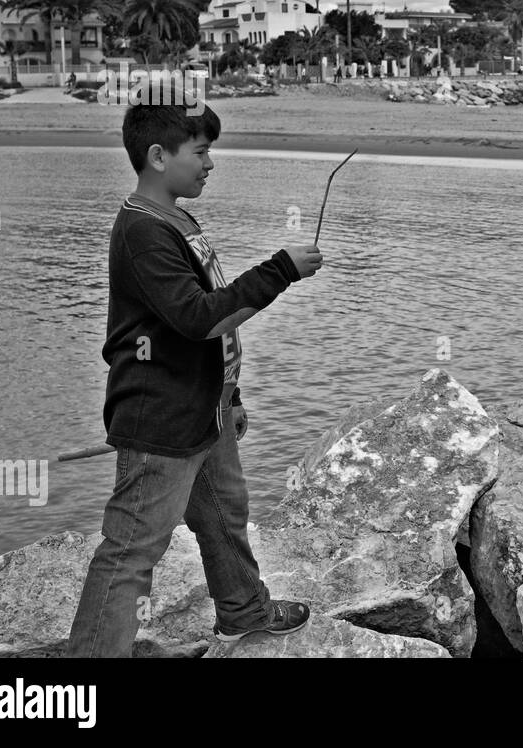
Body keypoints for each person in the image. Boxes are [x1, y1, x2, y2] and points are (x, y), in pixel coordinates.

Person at [66, 101, 324, 657]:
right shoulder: (142, 231)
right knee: (131, 553)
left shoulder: (176, 218)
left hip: (207, 408)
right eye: (201, 151)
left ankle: (244, 610)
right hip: (160, 416)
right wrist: (280, 270)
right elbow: (197, 317)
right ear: (158, 156)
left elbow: (209, 318)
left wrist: (231, 394)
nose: (211, 163)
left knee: (224, 515)